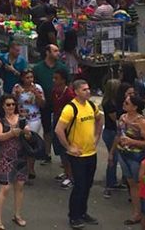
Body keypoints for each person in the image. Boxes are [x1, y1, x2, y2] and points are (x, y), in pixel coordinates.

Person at [55, 79, 103, 229]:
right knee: (79, 186)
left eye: (88, 89)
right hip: (78, 156)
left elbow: (99, 119)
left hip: (91, 153)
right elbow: (58, 130)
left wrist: (96, 137)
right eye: (84, 90)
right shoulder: (70, 109)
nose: (88, 91)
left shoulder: (91, 105)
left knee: (87, 186)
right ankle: (74, 216)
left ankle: (83, 212)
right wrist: (69, 147)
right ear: (76, 92)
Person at [113, 92, 145, 226]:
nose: (124, 104)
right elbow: (118, 135)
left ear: (135, 107)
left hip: (137, 156)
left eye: (127, 103)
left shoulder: (141, 122)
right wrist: (112, 152)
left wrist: (132, 141)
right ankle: (137, 212)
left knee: (141, 183)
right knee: (132, 184)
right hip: (123, 154)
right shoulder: (123, 118)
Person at [0, 94, 30, 230]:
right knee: (5, 187)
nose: (11, 107)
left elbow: (28, 136)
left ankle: (17, 215)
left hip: (20, 157)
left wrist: (27, 132)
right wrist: (11, 133)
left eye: (13, 104)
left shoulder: (21, 119)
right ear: (3, 106)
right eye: (8, 104)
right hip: (5, 158)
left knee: (20, 186)